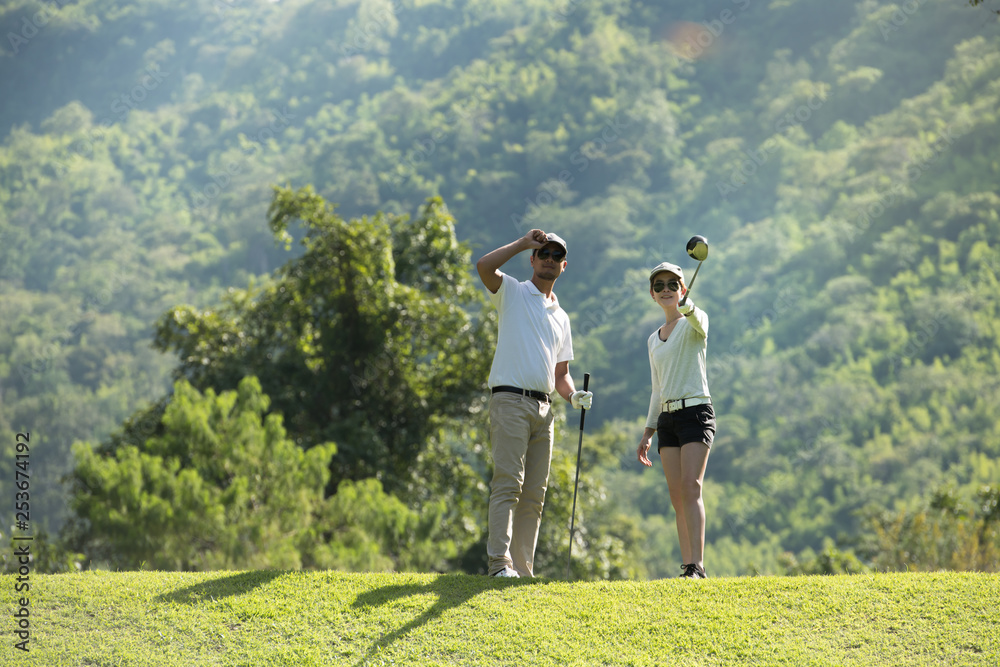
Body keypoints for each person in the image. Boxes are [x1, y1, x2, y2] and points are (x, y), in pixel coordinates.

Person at [475, 229, 594, 578]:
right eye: (543, 253)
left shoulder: (562, 316)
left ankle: (522, 571)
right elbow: (484, 266)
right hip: (510, 400)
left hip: (545, 410)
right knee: (508, 483)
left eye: (556, 256)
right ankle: (500, 564)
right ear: (533, 259)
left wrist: (573, 396)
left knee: (534, 494)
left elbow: (561, 374)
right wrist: (523, 241)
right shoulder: (513, 291)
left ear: (563, 265)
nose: (549, 259)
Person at [637, 261, 715, 579]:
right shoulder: (653, 340)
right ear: (653, 295)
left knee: (690, 486)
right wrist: (647, 432)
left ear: (682, 289)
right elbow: (658, 389)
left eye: (673, 284)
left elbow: (701, 322)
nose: (666, 289)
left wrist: (689, 306)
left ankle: (698, 566)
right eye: (659, 286)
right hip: (667, 419)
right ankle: (687, 566)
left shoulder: (694, 323)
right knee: (676, 494)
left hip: (696, 413)